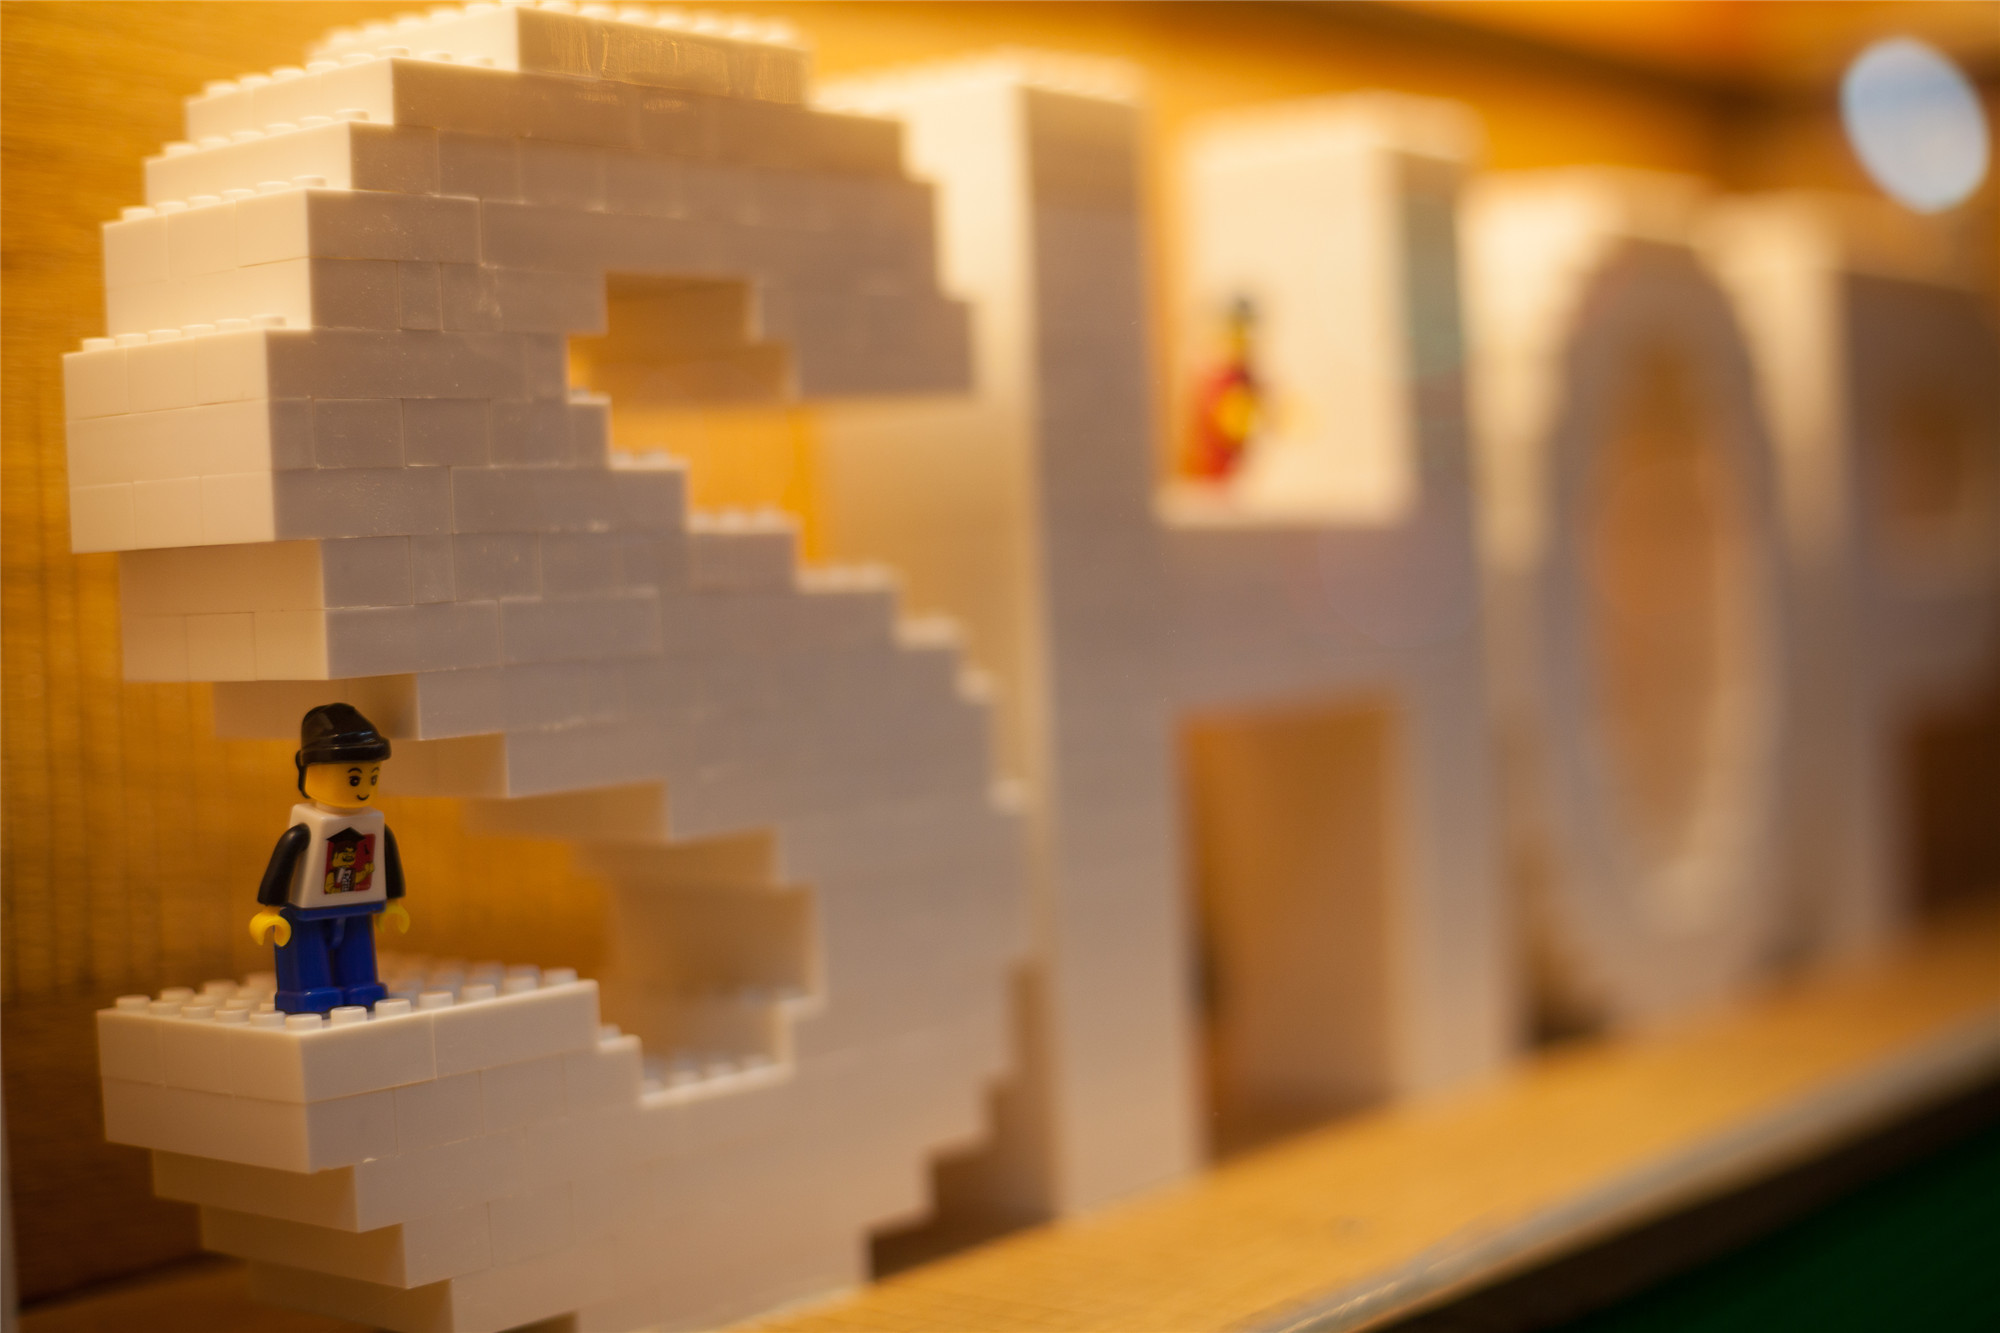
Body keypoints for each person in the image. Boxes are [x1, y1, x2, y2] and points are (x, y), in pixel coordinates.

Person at [249, 703, 410, 1014]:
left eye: (373, 777)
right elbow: (282, 863)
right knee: (307, 954)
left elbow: (388, 858)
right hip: (306, 911)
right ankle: (311, 991)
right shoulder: (306, 828)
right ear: (310, 773)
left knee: (357, 953)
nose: (364, 789)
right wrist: (270, 909)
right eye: (354, 779)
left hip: (358, 906)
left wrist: (393, 901)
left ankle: (360, 984)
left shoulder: (373, 825)